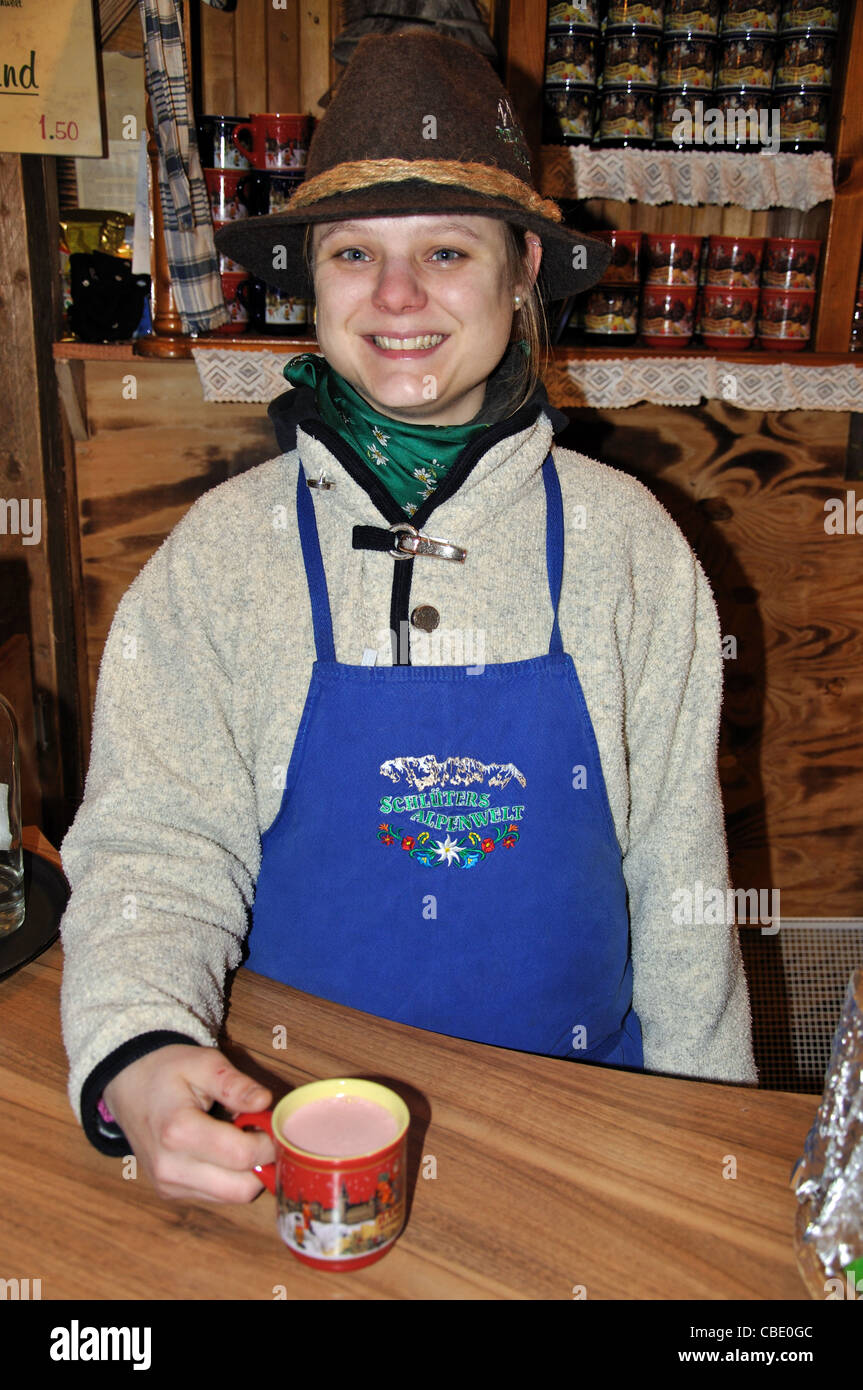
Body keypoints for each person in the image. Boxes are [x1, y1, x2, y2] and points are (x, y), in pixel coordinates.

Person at [59, 30, 757, 1205]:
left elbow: (680, 893)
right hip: (288, 1157)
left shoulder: (627, 545)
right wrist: (132, 1049)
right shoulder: (221, 558)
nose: (396, 298)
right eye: (352, 254)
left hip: (584, 1147)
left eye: (444, 250)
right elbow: (154, 851)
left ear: (522, 268)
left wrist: (711, 1166)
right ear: (312, 277)